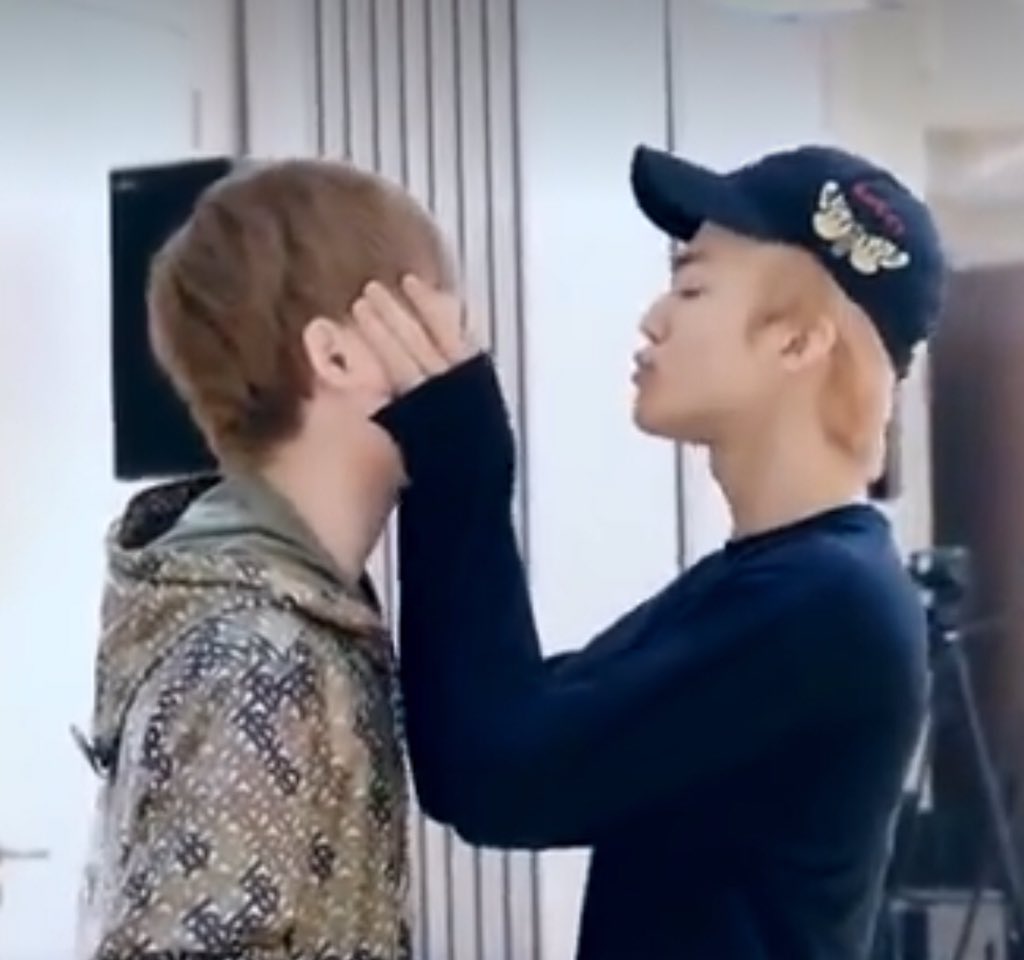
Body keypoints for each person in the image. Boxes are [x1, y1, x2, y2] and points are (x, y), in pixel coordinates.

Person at [352, 143, 947, 959]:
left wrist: (463, 451)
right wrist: (453, 444)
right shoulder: (785, 581)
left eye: (692, 287)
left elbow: (498, 774)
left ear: (798, 343)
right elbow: (507, 728)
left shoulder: (824, 603)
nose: (654, 318)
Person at [76, 159, 452, 960]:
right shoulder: (257, 653)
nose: (468, 351)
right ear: (339, 356)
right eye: (439, 313)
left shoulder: (292, 619)